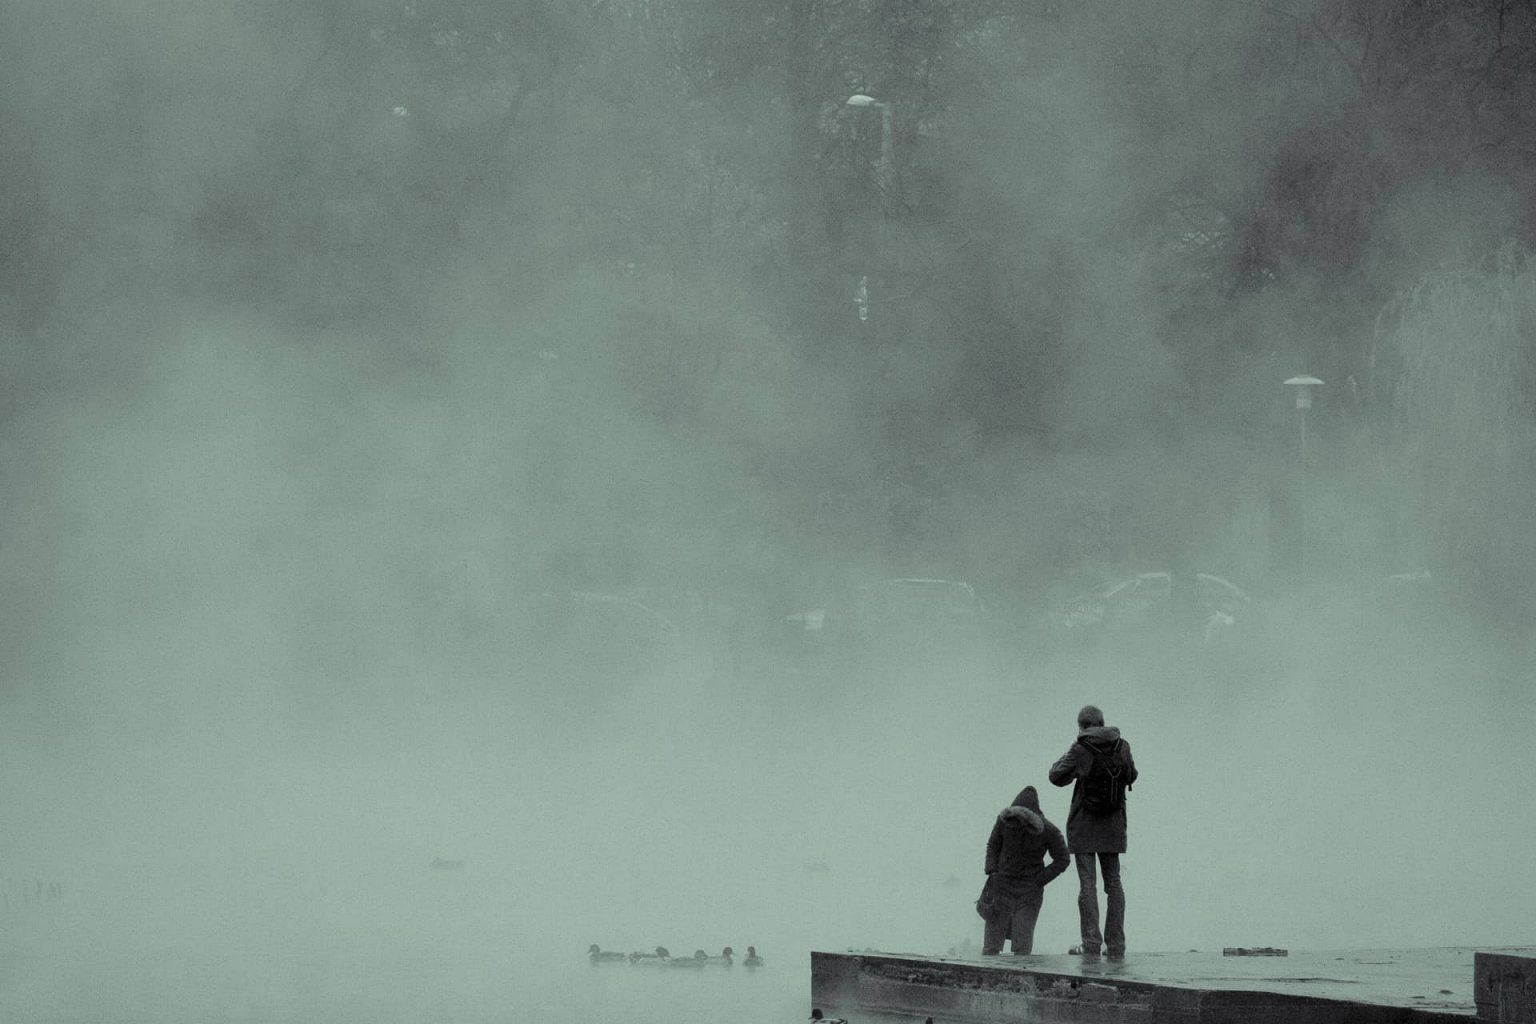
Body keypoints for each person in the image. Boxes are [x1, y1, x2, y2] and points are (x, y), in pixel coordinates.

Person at [1049, 704, 1138, 958]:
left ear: (1082, 726)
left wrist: (1075, 762)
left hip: (1084, 826)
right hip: (1113, 825)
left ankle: (1090, 944)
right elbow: (1132, 775)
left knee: (1088, 885)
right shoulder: (1122, 746)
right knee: (1114, 884)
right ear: (1102, 722)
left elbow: (1055, 776)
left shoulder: (1080, 748)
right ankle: (1116, 945)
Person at [979, 785, 1069, 955]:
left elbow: (1063, 859)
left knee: (1022, 946)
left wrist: (1039, 880)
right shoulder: (1003, 820)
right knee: (991, 945)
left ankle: (1020, 973)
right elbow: (993, 845)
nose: (1016, 823)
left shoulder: (1048, 830)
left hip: (1029, 893)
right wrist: (992, 871)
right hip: (1001, 888)